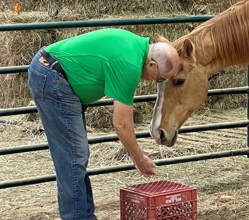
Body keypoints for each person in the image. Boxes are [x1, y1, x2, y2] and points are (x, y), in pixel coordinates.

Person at [27, 28, 180, 220]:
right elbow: (121, 123)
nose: (155, 81)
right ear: (151, 64)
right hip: (53, 77)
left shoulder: (134, 46)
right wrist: (138, 158)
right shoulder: (130, 64)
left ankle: (84, 216)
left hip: (56, 75)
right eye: (160, 78)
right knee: (73, 155)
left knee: (77, 154)